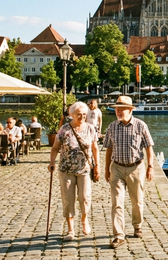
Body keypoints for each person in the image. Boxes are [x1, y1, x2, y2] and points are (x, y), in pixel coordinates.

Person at [104, 96, 155, 249]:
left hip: (136, 167)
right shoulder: (112, 127)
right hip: (117, 168)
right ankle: (119, 235)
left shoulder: (140, 126)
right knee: (117, 203)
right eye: (116, 109)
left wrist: (150, 166)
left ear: (130, 110)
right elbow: (108, 149)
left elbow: (149, 147)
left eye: (121, 109)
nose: (117, 111)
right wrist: (106, 169)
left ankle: (137, 225)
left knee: (137, 201)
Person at [48, 102, 99, 241]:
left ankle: (84, 219)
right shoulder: (64, 129)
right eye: (79, 115)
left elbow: (95, 148)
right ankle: (70, 230)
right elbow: (55, 148)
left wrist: (97, 166)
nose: (82, 117)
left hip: (84, 170)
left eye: (84, 114)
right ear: (71, 115)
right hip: (66, 170)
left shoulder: (90, 128)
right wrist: (52, 162)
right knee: (68, 200)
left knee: (84, 197)